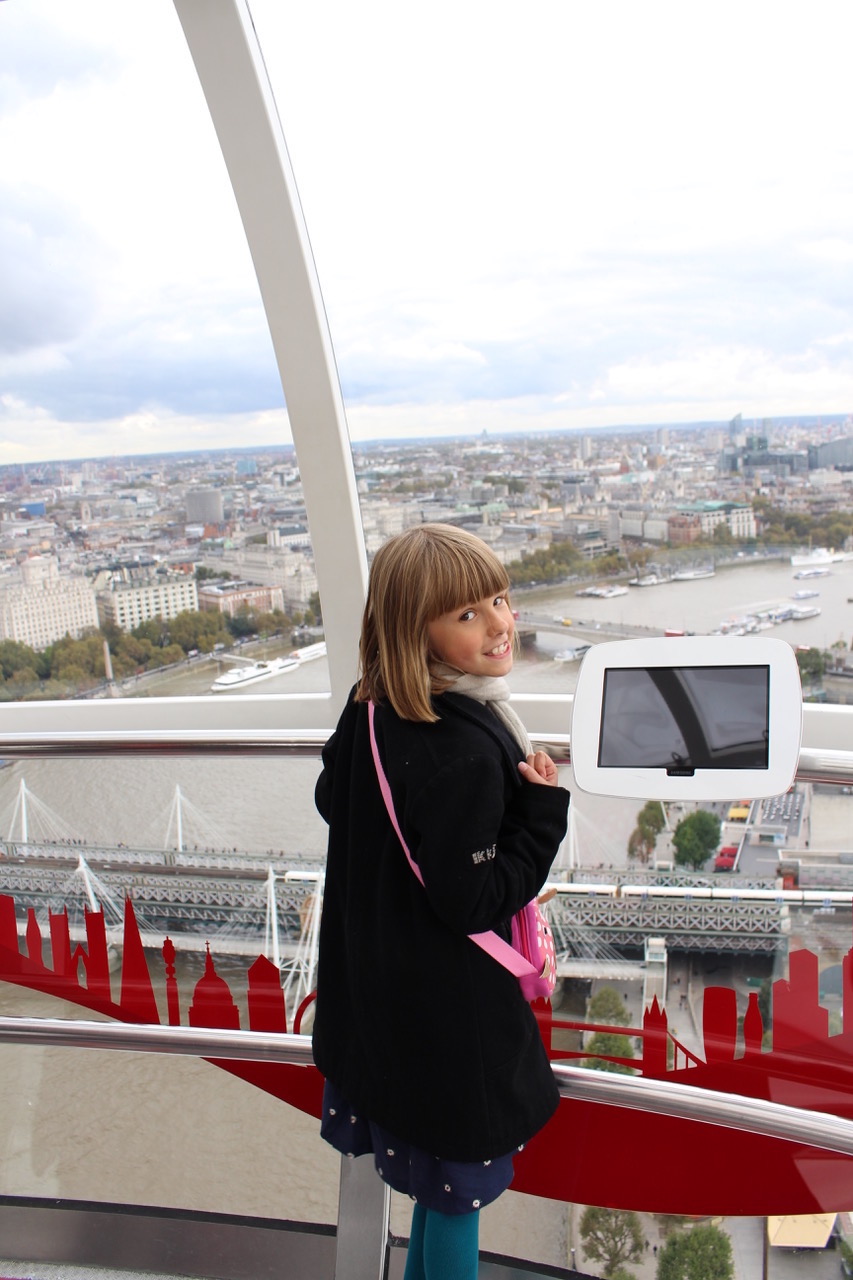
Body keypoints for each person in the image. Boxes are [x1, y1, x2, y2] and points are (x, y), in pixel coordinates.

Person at [312, 523, 570, 1280]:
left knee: (439, 1189)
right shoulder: (465, 752)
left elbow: (334, 799)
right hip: (447, 1027)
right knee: (457, 1202)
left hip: (378, 1004)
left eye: (500, 599)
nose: (499, 623)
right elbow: (474, 901)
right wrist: (539, 814)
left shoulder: (369, 707)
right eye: (467, 613)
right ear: (413, 631)